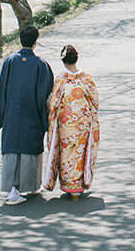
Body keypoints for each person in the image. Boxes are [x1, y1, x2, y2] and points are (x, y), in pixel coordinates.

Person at [0, 24, 54, 205]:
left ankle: (19, 188)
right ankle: (17, 189)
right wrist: (47, 121)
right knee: (29, 148)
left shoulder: (10, 61)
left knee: (13, 148)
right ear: (35, 42)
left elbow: (1, 89)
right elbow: (46, 96)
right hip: (31, 114)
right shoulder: (41, 65)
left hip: (12, 114)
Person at [43, 44, 100, 199]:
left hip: (66, 124)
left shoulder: (61, 79)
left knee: (67, 154)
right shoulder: (86, 78)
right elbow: (95, 100)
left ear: (63, 61)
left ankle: (69, 185)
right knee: (80, 153)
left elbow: (53, 103)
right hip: (83, 124)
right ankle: (79, 184)